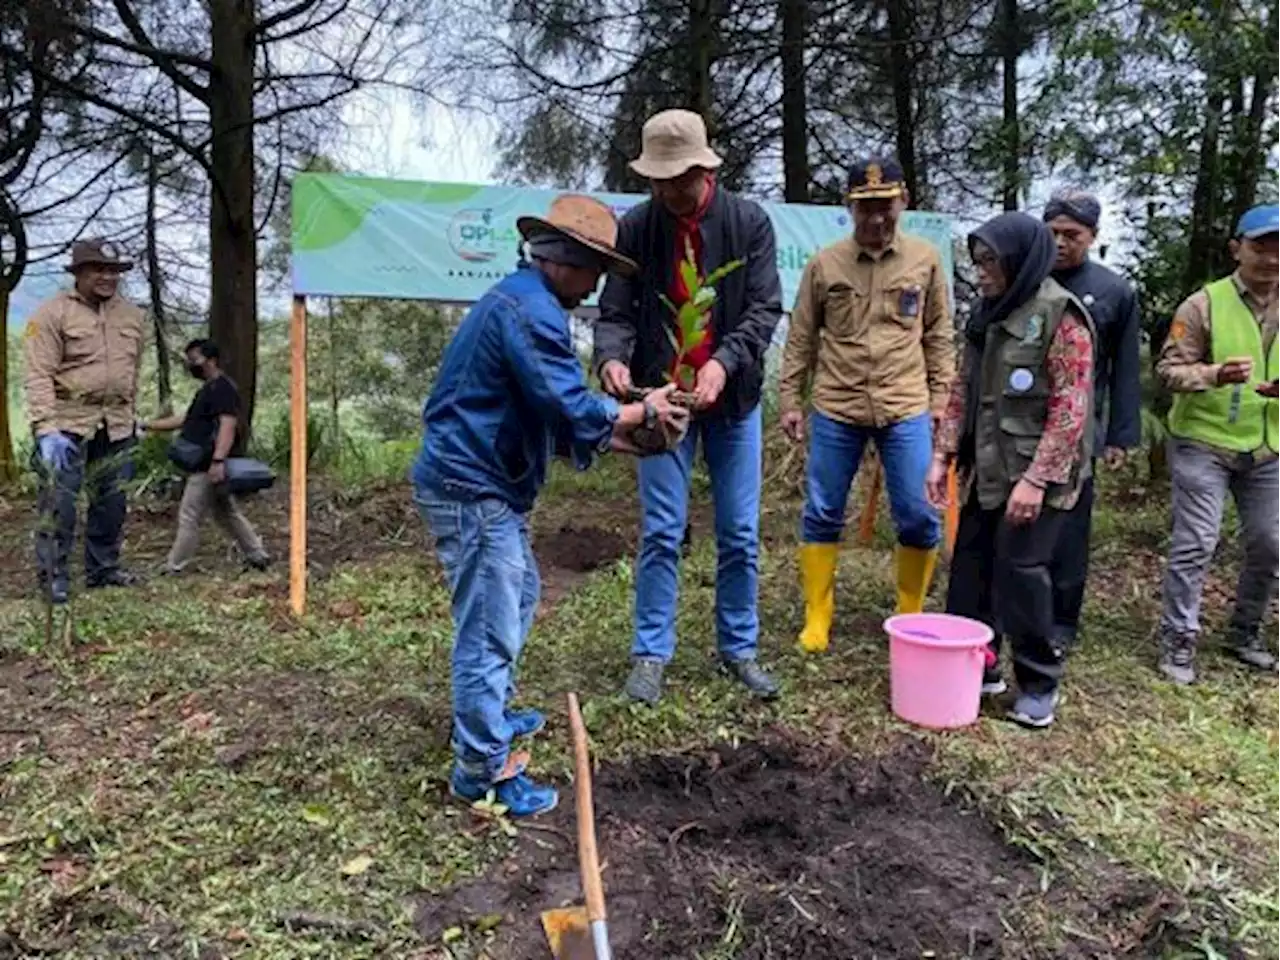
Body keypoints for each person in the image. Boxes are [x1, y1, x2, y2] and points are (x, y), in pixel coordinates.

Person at [412, 194, 690, 817]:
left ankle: (492, 716)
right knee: (489, 627)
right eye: (594, 269)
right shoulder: (532, 313)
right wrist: (641, 411)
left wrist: (632, 440)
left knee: (520, 597)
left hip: (485, 482)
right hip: (472, 485)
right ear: (565, 259)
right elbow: (568, 404)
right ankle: (481, 770)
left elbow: (553, 415)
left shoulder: (523, 300)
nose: (596, 284)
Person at [595, 109, 784, 705]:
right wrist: (612, 360)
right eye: (659, 180)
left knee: (739, 529)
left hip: (732, 402)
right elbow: (616, 311)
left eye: (680, 178)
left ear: (706, 169)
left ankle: (739, 649)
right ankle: (650, 655)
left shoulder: (749, 223)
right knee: (661, 530)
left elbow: (763, 310)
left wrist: (724, 362)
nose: (670, 191)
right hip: (660, 397)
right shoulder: (638, 229)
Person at [927, 212, 1096, 729]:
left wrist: (1036, 480)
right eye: (976, 263)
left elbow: (1071, 409)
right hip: (990, 470)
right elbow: (961, 389)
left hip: (1038, 477)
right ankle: (982, 667)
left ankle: (1040, 682)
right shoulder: (987, 315)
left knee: (1022, 576)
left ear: (1019, 261)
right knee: (971, 572)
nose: (980, 273)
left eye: (989, 263)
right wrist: (942, 455)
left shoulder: (1060, 315)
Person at [778, 157, 954, 652]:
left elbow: (940, 334)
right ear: (849, 209)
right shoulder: (825, 264)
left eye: (884, 207)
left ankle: (910, 612)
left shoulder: (925, 259)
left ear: (903, 202)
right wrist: (791, 398)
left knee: (919, 513)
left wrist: (941, 399)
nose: (876, 219)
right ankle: (818, 616)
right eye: (864, 209)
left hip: (906, 405)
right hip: (838, 404)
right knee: (822, 510)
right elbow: (801, 337)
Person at [1153, 204, 1280, 685]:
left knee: (1270, 544)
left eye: (1279, 250)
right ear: (1237, 250)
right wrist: (1213, 374)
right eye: (1260, 248)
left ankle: (1244, 633)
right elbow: (1167, 371)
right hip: (1203, 441)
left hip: (1268, 443)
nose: (1271, 260)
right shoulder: (1203, 305)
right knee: (1196, 541)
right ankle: (1178, 639)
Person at [1043, 188, 1142, 653]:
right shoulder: (1025, 277)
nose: (1061, 242)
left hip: (1081, 427)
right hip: (1020, 421)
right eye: (1054, 232)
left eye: (1072, 234)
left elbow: (1124, 369)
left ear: (1093, 236)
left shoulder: (1113, 291)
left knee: (1070, 525)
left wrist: (1119, 435)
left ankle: (1063, 619)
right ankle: (1015, 605)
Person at [24, 239, 146, 604]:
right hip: (67, 424)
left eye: (114, 271)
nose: (108, 277)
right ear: (78, 273)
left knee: (112, 503)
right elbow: (37, 374)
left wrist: (132, 416)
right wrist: (46, 429)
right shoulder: (51, 314)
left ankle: (103, 569)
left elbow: (132, 370)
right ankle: (53, 578)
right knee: (59, 504)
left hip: (117, 424)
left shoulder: (132, 315)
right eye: (99, 270)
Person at [142, 339, 269, 574]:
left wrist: (218, 461)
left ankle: (174, 566)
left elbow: (228, 425)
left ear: (211, 361)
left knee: (189, 514)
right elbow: (184, 419)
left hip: (208, 464)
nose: (191, 365)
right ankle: (257, 554)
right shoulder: (208, 390)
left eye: (195, 360)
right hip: (206, 463)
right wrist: (147, 425)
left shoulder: (223, 389)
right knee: (226, 512)